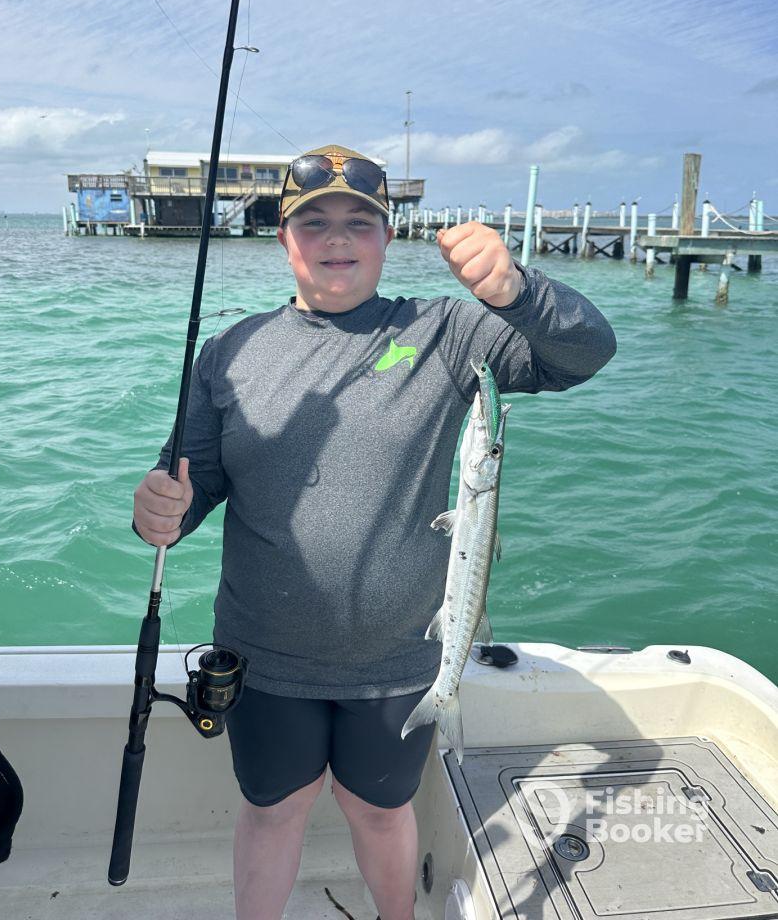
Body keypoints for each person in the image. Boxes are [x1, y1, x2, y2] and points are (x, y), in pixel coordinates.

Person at [132, 143, 616, 920]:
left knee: (381, 812)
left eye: (360, 221)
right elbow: (192, 481)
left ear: (389, 238)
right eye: (313, 222)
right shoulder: (229, 351)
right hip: (266, 655)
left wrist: (518, 292)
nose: (337, 239)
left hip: (400, 662)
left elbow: (583, 354)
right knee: (270, 812)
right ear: (283, 237)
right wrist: (158, 510)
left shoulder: (452, 334)